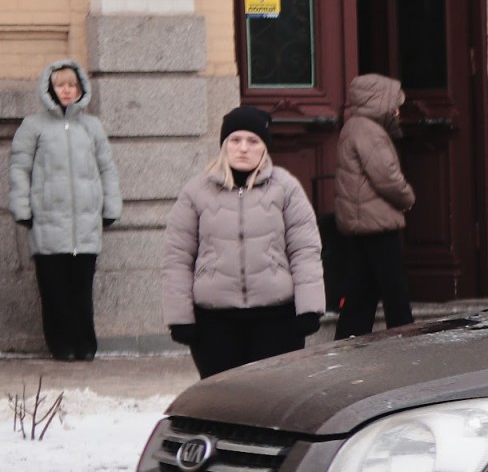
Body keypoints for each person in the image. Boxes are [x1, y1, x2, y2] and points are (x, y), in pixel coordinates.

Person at [161, 106, 325, 379]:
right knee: (224, 403)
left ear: (265, 147)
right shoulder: (196, 191)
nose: (243, 148)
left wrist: (309, 308)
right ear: (224, 145)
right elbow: (178, 256)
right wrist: (180, 317)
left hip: (276, 319)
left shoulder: (285, 188)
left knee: (272, 400)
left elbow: (305, 250)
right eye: (235, 140)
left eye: (253, 141)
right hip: (214, 322)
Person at [9, 61, 121, 361]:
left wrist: (111, 207)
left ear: (80, 88)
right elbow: (20, 169)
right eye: (61, 85)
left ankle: (85, 345)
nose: (67, 91)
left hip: (85, 224)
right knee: (54, 291)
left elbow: (106, 168)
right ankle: (61, 345)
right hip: (47, 221)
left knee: (81, 290)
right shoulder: (33, 127)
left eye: (72, 85)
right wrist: (22, 208)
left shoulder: (92, 126)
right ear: (49, 89)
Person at [332, 74, 416, 338]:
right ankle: (405, 340)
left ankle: (348, 342)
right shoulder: (370, 132)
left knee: (362, 289)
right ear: (379, 102)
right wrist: (407, 198)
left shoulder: (354, 126)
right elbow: (387, 177)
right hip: (376, 221)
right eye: (394, 104)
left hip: (361, 221)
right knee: (394, 291)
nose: (397, 110)